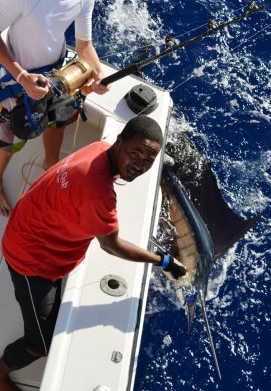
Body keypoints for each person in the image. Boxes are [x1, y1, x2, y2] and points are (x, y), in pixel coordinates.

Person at [0, 115, 187, 390]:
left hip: (31, 227)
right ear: (120, 141)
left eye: (148, 160)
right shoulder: (98, 194)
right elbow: (112, 245)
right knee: (40, 343)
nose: (139, 164)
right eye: (135, 153)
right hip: (30, 261)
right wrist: (165, 261)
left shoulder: (99, 149)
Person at [0, 0, 108, 216]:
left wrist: (97, 72)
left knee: (57, 119)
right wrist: (22, 77)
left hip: (57, 72)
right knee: (7, 138)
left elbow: (84, 45)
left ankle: (50, 165)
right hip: (17, 75)